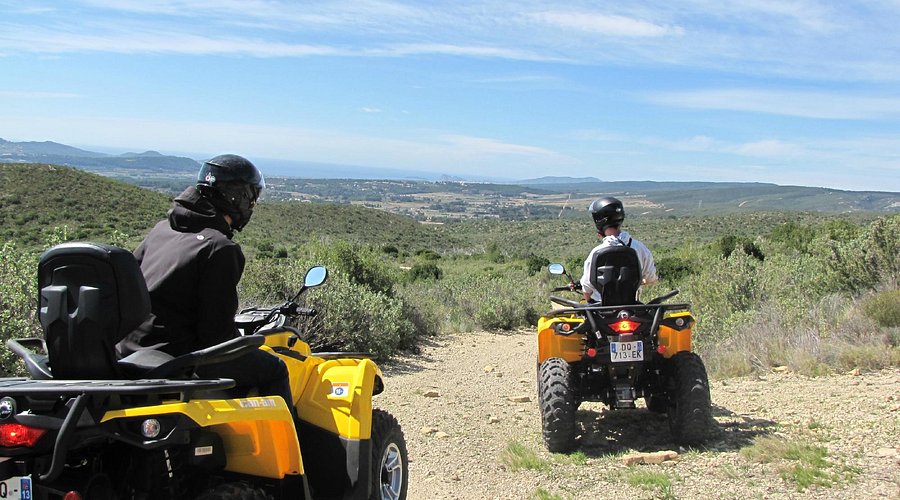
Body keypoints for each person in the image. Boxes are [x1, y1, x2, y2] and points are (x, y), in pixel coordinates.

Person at [116, 154, 295, 413]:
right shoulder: (219, 248)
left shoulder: (161, 230)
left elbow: (132, 288)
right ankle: (290, 452)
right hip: (178, 356)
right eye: (251, 196)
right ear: (238, 198)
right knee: (276, 369)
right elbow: (216, 336)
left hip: (130, 348)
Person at [580, 196, 658, 303]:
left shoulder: (596, 252)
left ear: (599, 220)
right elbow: (651, 278)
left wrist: (588, 299)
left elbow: (586, 286)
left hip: (602, 313)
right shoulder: (640, 248)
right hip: (632, 309)